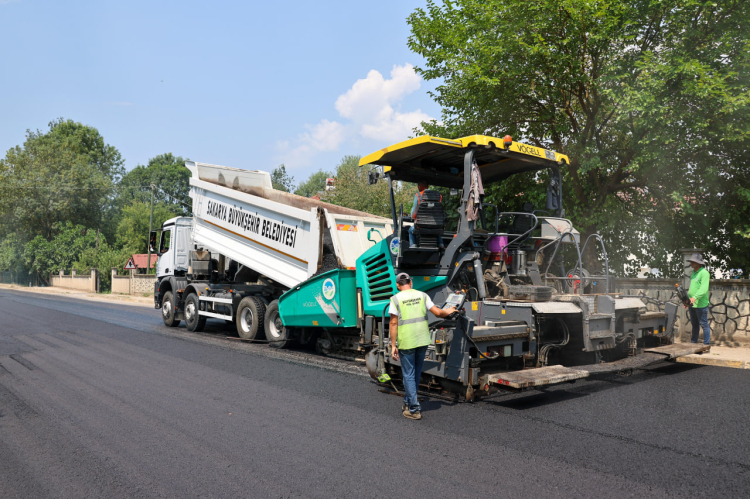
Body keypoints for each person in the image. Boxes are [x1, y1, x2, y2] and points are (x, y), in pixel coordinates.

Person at [389, 272, 457, 420]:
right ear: (411, 283)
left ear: (398, 285)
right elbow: (438, 313)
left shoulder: (395, 299)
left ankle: (413, 409)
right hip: (422, 340)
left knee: (408, 374)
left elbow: (393, 323)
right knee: (416, 372)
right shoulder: (422, 295)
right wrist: (449, 311)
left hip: (406, 341)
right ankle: (408, 402)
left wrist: (393, 345)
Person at [408, 183, 444, 248]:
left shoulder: (418, 196)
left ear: (419, 186)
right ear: (428, 186)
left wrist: (412, 216)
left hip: (421, 227)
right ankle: (441, 245)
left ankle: (413, 246)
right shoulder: (438, 196)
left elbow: (413, 214)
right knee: (436, 229)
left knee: (410, 230)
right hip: (436, 226)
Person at [687, 253, 711, 347]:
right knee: (694, 324)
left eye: (693, 261)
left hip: (701, 304)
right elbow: (693, 288)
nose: (691, 263)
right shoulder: (693, 272)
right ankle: (693, 343)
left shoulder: (704, 273)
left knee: (704, 324)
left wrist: (695, 297)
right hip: (692, 303)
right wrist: (688, 301)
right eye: (691, 261)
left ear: (699, 263)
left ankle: (706, 345)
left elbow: (703, 289)